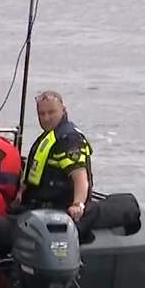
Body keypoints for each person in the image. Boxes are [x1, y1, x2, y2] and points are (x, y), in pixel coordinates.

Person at [16, 90, 94, 221]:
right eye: (42, 114)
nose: (46, 118)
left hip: (57, 212)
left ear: (63, 110)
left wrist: (77, 204)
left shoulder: (69, 140)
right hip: (36, 207)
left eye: (51, 112)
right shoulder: (48, 136)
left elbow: (80, 177)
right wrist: (20, 194)